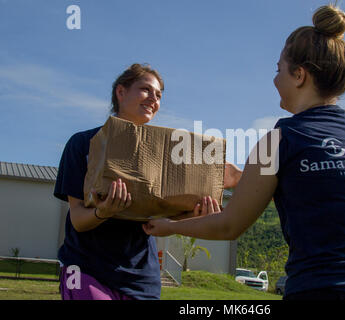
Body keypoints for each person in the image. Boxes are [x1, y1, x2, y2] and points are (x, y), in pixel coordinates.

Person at [143, 6, 345, 300]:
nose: (275, 79)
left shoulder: (278, 139)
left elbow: (229, 225)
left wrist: (168, 226)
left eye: (278, 70)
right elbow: (326, 182)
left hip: (328, 291)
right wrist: (241, 177)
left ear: (299, 76)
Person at [54, 63, 239, 300]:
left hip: (142, 281)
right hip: (87, 271)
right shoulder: (83, 144)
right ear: (121, 92)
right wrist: (103, 212)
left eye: (159, 95)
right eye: (146, 90)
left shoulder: (166, 155)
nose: (154, 99)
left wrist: (191, 215)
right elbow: (78, 220)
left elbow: (155, 223)